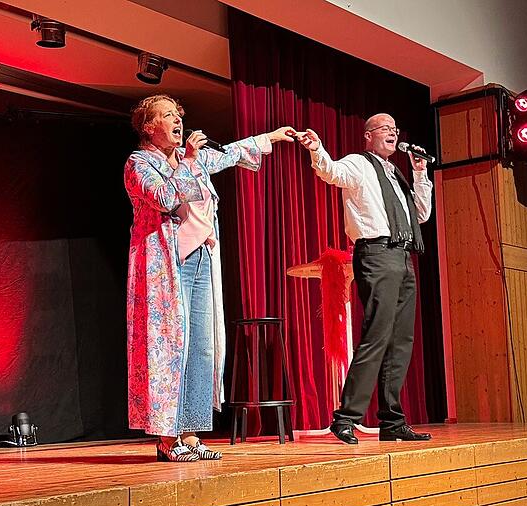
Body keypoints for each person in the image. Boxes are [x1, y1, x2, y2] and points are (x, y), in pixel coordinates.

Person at [124, 94, 295, 461]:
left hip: (201, 257)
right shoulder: (139, 163)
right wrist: (186, 160)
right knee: (171, 348)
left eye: (177, 113)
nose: (175, 119)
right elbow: (165, 197)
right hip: (166, 266)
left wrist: (271, 137)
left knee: (202, 347)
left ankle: (191, 432)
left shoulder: (195, 159)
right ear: (149, 127)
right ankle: (167, 438)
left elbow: (230, 154)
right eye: (166, 115)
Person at [296, 113, 433, 444]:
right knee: (376, 334)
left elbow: (421, 214)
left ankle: (392, 421)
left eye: (395, 129)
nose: (392, 133)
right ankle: (346, 417)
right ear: (368, 136)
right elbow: (330, 171)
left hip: (403, 256)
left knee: (401, 341)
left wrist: (419, 173)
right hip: (376, 253)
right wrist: (317, 149)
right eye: (385, 129)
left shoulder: (396, 174)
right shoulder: (359, 163)